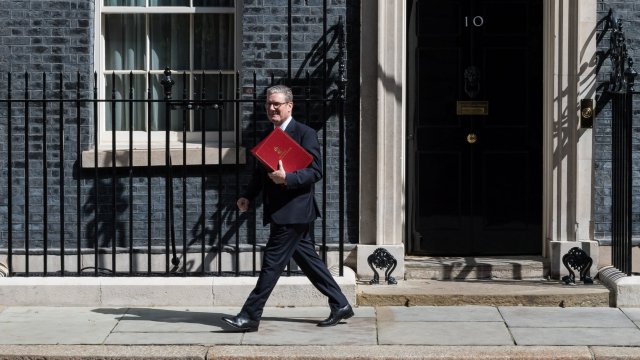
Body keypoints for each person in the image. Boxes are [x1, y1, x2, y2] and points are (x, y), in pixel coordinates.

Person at [222, 85, 353, 332]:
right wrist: (247, 196)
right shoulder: (269, 135)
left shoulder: (305, 133)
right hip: (282, 211)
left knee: (271, 264)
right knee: (309, 261)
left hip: (295, 211)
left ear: (289, 106)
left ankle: (250, 315)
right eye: (269, 104)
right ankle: (341, 304)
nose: (272, 108)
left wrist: (288, 179)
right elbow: (261, 173)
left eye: (277, 104)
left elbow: (316, 171)